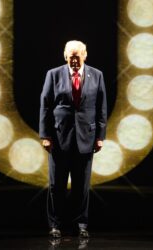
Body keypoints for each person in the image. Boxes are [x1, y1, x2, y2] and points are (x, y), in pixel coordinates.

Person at [39, 40, 107, 238]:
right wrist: (45, 136)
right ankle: (55, 225)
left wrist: (100, 137)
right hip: (59, 139)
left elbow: (101, 107)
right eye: (71, 56)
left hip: (86, 138)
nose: (74, 60)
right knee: (56, 186)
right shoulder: (53, 75)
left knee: (82, 186)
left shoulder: (97, 75)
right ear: (65, 56)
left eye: (77, 56)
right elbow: (45, 106)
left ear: (85, 55)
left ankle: (82, 224)